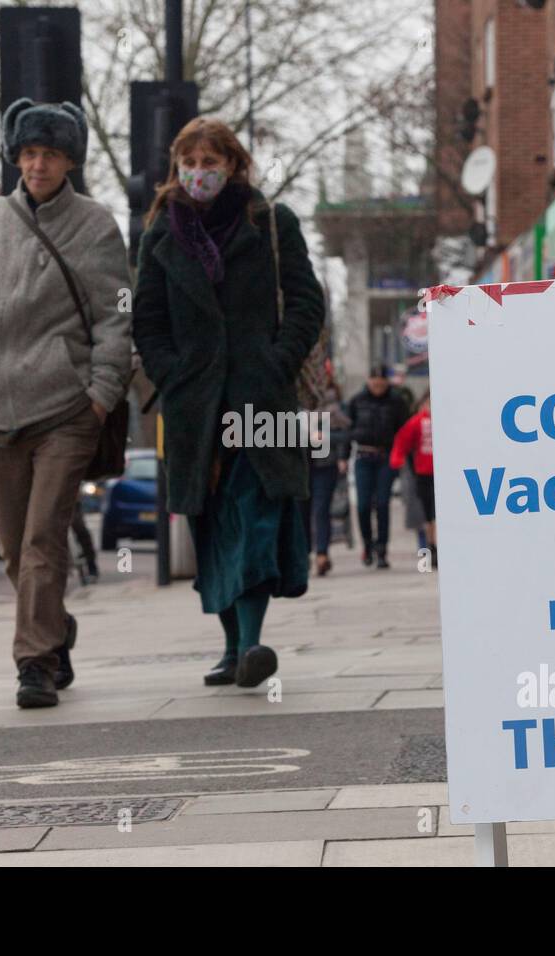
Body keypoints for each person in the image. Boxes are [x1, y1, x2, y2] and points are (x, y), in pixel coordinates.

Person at [0, 98, 131, 708]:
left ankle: (34, 666)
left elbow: (115, 318)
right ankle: (54, 630)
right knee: (12, 547)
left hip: (65, 412)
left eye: (50, 153)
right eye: (28, 153)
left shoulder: (97, 225)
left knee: (42, 540)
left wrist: (99, 396)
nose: (38, 164)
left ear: (70, 160)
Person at [133, 117, 324, 689]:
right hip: (194, 407)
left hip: (263, 398)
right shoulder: (160, 233)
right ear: (177, 168)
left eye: (210, 162)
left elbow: (307, 302)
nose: (199, 173)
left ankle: (253, 643)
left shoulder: (272, 222)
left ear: (234, 165)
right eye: (189, 163)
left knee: (256, 512)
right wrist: (173, 375)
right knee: (211, 520)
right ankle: (233, 646)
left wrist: (276, 361)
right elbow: (147, 320)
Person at [342, 364, 411, 569]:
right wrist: (343, 457)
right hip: (363, 456)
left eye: (382, 382)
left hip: (386, 457)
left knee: (382, 504)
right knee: (363, 505)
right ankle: (367, 544)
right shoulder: (356, 401)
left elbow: (404, 432)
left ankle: (382, 549)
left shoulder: (397, 401)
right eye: (374, 381)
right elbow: (347, 430)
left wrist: (404, 456)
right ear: (368, 380)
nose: (378, 385)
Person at [390, 391, 435, 566]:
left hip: (435, 474)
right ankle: (430, 549)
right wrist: (397, 458)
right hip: (423, 474)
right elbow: (402, 440)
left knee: (433, 515)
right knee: (427, 515)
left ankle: (432, 548)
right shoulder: (418, 421)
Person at [310, 381, 350, 576]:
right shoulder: (293, 400)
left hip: (326, 464)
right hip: (301, 464)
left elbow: (345, 433)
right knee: (301, 511)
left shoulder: (335, 407)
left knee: (321, 510)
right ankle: (304, 553)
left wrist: (341, 455)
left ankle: (322, 554)